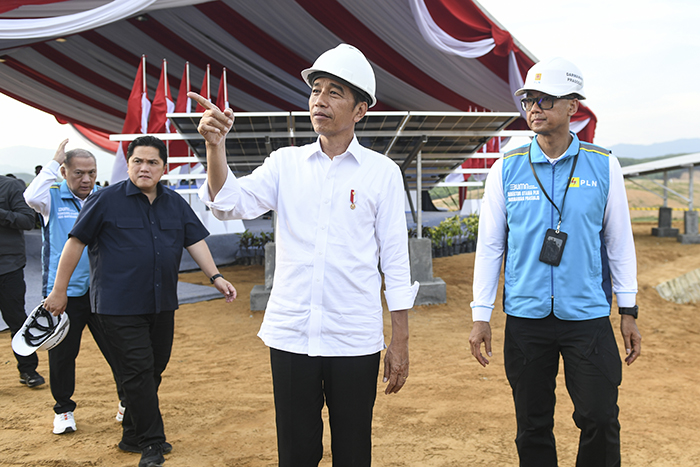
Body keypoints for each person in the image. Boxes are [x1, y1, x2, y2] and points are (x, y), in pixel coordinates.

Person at [191, 43, 418, 467]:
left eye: (334, 92)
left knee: (353, 451)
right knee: (296, 453)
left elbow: (396, 262)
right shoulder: (285, 164)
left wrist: (399, 340)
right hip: (292, 334)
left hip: (354, 338)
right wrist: (215, 147)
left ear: (360, 110)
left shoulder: (382, 173)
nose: (320, 100)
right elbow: (228, 202)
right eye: (316, 90)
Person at [468, 57, 642, 467]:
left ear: (573, 107)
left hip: (587, 316)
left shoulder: (604, 165)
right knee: (532, 423)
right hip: (526, 317)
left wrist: (629, 309)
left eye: (547, 100)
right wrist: (480, 314)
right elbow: (490, 245)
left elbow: (619, 241)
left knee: (599, 416)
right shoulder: (506, 168)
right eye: (529, 99)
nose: (535, 108)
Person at [44, 135, 237, 467]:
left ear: (164, 167)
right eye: (137, 161)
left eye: (152, 162)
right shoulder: (104, 200)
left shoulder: (174, 202)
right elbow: (74, 244)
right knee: (138, 369)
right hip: (118, 305)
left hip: (162, 303)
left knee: (153, 370)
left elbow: (195, 241)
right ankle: (151, 442)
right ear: (129, 164)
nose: (144, 167)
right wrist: (59, 291)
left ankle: (132, 434)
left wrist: (216, 277)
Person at [24, 139, 124, 435]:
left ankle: (127, 400)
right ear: (65, 172)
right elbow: (31, 195)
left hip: (103, 291)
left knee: (120, 350)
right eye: (78, 173)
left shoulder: (104, 198)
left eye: (91, 173)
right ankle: (64, 411)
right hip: (64, 295)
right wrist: (53, 162)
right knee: (63, 354)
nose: (86, 179)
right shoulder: (50, 198)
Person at [0, 173, 44, 388]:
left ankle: (28, 370)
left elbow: (28, 220)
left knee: (16, 319)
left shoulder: (10, 187)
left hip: (8, 268)